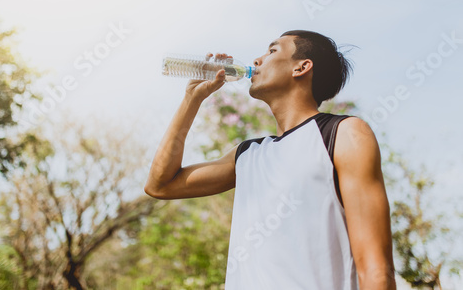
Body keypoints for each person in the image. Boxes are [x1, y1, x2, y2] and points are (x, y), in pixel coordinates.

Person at [145, 30, 396, 290]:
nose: (257, 60)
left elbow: (376, 269)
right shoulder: (247, 155)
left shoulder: (342, 134)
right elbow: (160, 185)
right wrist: (192, 98)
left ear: (302, 67)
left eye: (272, 51)